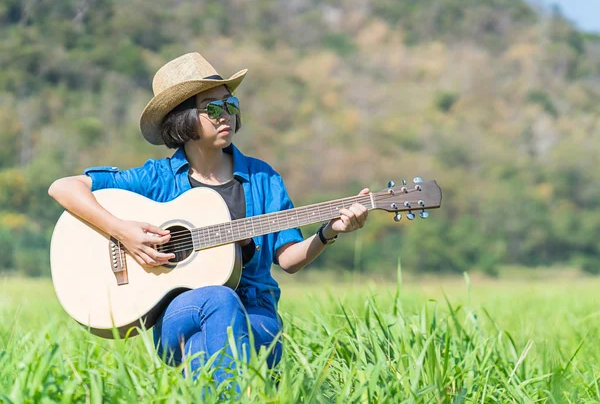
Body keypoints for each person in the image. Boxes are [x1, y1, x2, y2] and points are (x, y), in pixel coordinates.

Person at [48, 52, 369, 386]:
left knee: (205, 346)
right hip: (178, 313)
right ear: (183, 118)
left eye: (230, 105)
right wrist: (123, 231)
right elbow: (64, 188)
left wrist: (329, 231)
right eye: (213, 109)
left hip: (256, 311)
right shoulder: (157, 179)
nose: (225, 116)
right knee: (219, 299)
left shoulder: (262, 177)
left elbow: (288, 259)